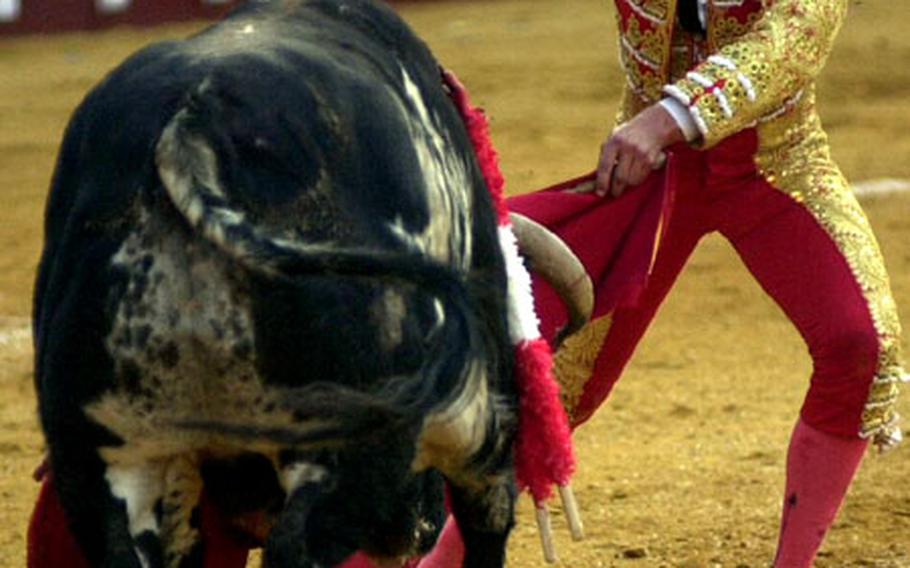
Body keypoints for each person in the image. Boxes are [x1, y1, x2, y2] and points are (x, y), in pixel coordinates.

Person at [542, 0, 906, 565]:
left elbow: (792, 37)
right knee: (550, 373)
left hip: (775, 162)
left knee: (859, 342)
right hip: (651, 169)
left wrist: (667, 117)